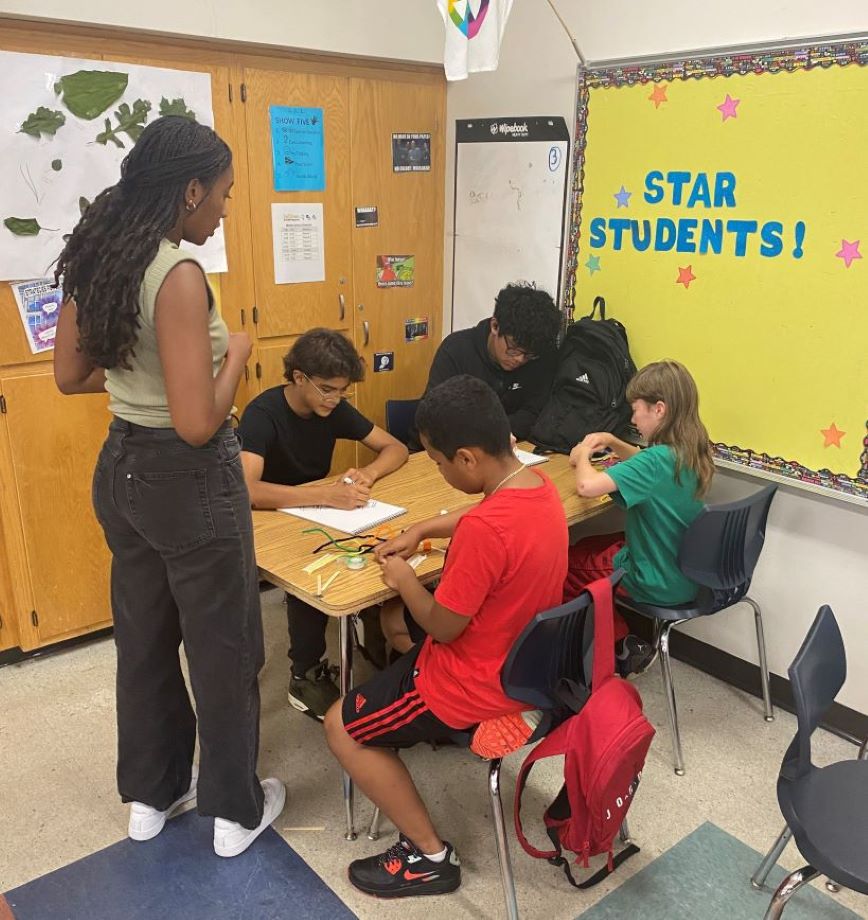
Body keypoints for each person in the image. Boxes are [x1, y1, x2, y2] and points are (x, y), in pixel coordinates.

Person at [52, 116, 284, 857]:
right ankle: (233, 814)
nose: (223, 209)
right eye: (222, 195)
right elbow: (195, 423)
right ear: (189, 190)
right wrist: (237, 354)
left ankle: (152, 798)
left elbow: (68, 377)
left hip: (121, 471)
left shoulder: (99, 256)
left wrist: (140, 388)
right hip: (188, 479)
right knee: (224, 648)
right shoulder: (179, 275)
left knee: (145, 640)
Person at [324, 375, 568, 899]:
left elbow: (442, 625)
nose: (436, 469)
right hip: (529, 671)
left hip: (470, 684)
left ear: (466, 459)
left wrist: (405, 579)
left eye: (436, 461)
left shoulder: (485, 532)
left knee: (340, 726)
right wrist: (425, 530)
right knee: (397, 643)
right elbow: (487, 512)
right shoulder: (539, 487)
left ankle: (428, 857)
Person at [237, 329, 408, 719]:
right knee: (309, 571)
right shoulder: (263, 415)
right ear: (299, 378)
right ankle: (305, 675)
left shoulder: (332, 408)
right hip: (270, 517)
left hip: (319, 511)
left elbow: (395, 447)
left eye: (342, 391)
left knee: (377, 546)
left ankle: (374, 630)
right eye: (328, 389)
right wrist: (323, 496)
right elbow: (246, 490)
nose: (335, 399)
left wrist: (368, 474)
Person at [565, 360, 715, 673]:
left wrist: (583, 455)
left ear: (658, 409)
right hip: (681, 569)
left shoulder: (657, 460)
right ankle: (617, 640)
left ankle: (618, 646)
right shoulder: (692, 447)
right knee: (593, 542)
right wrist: (614, 442)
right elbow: (646, 460)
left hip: (654, 578)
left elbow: (586, 486)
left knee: (564, 564)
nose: (633, 418)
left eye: (636, 410)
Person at [408, 282, 560, 449]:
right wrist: (494, 434)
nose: (520, 359)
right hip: (442, 451)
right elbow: (435, 418)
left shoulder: (542, 356)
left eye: (529, 355)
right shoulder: (456, 350)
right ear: (495, 326)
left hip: (509, 451)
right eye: (514, 349)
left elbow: (535, 413)